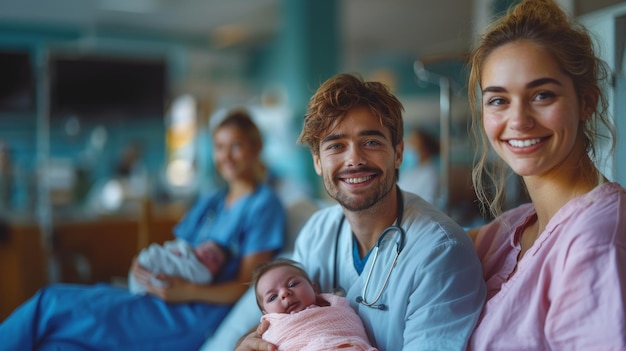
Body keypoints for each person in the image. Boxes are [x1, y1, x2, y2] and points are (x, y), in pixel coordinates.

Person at [0, 108, 287, 350]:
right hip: (160, 297)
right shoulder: (212, 200)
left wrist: (185, 291)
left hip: (189, 314)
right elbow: (178, 249)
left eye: (235, 146)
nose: (226, 156)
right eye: (219, 147)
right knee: (57, 344)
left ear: (256, 147)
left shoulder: (263, 205)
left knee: (51, 303)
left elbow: (247, 286)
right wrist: (147, 265)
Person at [236, 73, 486, 351]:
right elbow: (274, 316)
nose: (354, 159)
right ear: (318, 162)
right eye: (336, 146)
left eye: (371, 142)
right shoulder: (318, 231)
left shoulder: (440, 252)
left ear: (398, 152)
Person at [466, 0, 626, 349]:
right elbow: (420, 248)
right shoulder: (511, 230)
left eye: (542, 95)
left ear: (587, 102)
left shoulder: (597, 240)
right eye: (498, 100)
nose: (519, 120)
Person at [253, 258, 378, 351]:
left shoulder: (335, 308)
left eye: (293, 284)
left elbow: (351, 327)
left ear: (314, 288)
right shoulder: (270, 331)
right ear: (266, 314)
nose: (284, 293)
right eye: (273, 297)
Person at [128, 239, 229, 295]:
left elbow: (188, 275)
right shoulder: (186, 248)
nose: (210, 256)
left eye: (215, 260)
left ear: (215, 273)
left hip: (157, 282)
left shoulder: (203, 275)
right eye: (207, 250)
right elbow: (167, 248)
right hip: (144, 266)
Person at [397, 127, 444, 208]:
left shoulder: (430, 175)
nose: (408, 149)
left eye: (413, 146)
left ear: (425, 150)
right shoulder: (412, 171)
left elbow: (426, 206)